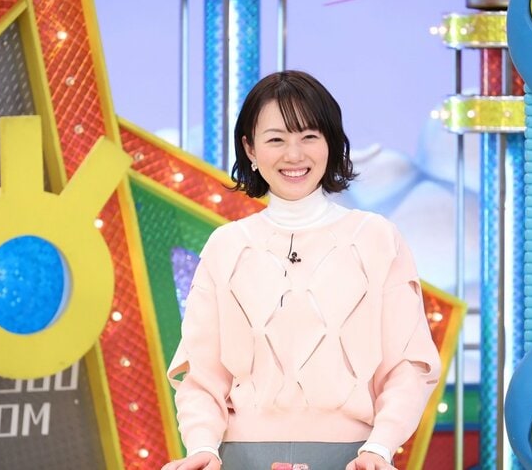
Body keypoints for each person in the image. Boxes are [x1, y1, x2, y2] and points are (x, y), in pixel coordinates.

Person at [162, 70, 441, 470]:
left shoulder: (377, 238)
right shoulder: (227, 246)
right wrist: (202, 446)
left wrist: (380, 447)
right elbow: (202, 375)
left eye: (309, 136)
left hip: (356, 459)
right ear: (250, 148)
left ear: (331, 143)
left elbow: (408, 365)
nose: (294, 155)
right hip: (238, 458)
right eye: (276, 139)